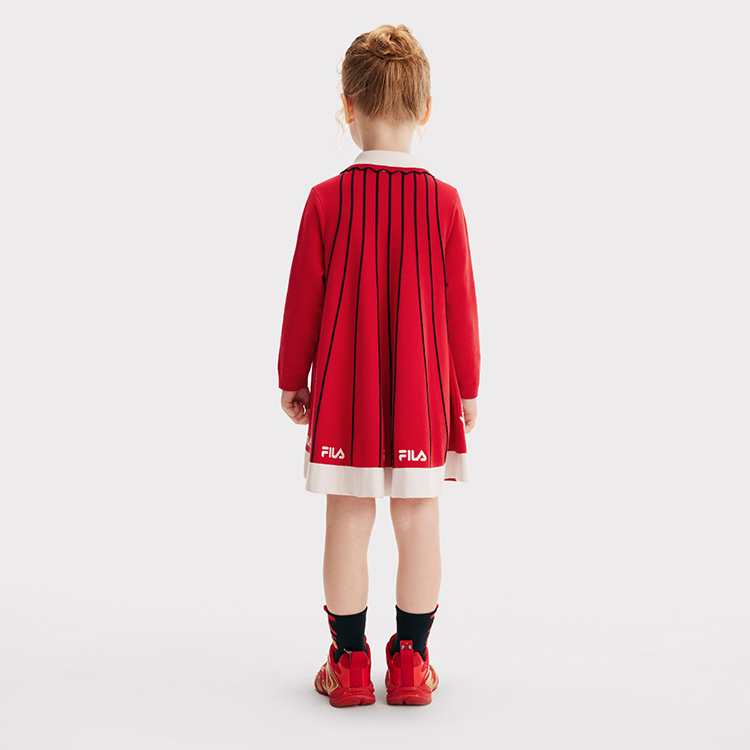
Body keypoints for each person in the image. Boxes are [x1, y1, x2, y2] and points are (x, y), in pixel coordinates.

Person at [277, 23, 480, 707]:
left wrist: (292, 378)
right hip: (424, 390)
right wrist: (467, 390)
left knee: (348, 515)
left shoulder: (326, 200)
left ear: (347, 105)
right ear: (426, 109)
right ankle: (413, 662)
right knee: (419, 517)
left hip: (346, 391)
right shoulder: (444, 203)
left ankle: (350, 662)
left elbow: (302, 302)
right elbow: (461, 309)